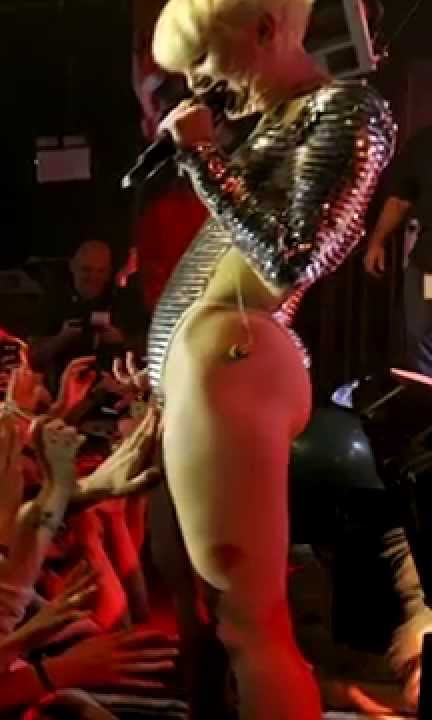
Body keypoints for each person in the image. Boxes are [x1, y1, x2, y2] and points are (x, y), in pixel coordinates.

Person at [149, 0, 395, 716]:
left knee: (247, 624)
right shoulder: (270, 123)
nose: (197, 82)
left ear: (263, 30)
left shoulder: (347, 109)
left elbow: (293, 257)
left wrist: (202, 158)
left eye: (203, 59)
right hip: (195, 382)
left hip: (235, 363)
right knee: (197, 624)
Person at [364, 124, 432, 374]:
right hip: (429, 263)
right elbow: (401, 199)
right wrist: (377, 242)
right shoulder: (425, 142)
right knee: (418, 335)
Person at [30, 241, 147, 376]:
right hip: (64, 382)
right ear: (72, 267)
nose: (93, 277)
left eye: (100, 271)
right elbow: (33, 358)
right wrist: (61, 339)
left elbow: (151, 347)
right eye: (86, 269)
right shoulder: (54, 301)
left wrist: (122, 340)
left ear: (108, 272)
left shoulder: (124, 301)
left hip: (114, 382)